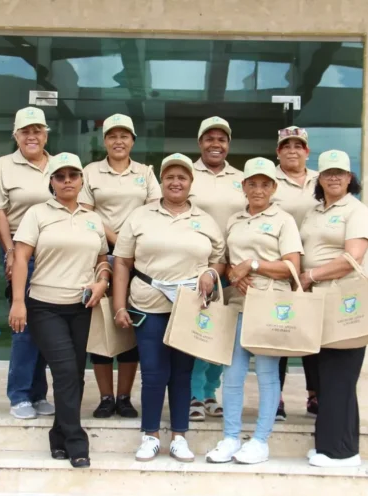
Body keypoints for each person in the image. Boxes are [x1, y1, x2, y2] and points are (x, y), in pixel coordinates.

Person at [112, 153, 226, 463]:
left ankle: (179, 436)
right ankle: (149, 435)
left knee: (182, 373)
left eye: (183, 177)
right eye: (170, 177)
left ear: (191, 183)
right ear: (162, 181)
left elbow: (219, 258)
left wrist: (211, 273)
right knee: (153, 372)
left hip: (189, 305)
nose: (176, 182)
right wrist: (119, 305)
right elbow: (122, 262)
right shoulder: (140, 216)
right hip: (149, 303)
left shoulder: (205, 220)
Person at [8, 152, 110, 469]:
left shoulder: (93, 219)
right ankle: (77, 441)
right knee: (66, 371)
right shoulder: (37, 214)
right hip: (44, 307)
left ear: (81, 180)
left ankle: (58, 436)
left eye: (73, 175)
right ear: (51, 182)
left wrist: (103, 281)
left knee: (75, 376)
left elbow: (102, 260)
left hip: (81, 306)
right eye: (60, 176)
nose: (67, 181)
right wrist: (18, 301)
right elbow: (21, 258)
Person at [206, 157, 303, 465]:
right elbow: (228, 260)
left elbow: (292, 267)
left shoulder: (283, 220)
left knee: (266, 374)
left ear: (274, 187)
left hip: (272, 306)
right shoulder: (234, 220)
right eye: (252, 183)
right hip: (238, 303)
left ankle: (260, 440)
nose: (258, 189)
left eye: (265, 184)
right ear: (243, 186)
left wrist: (254, 265)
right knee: (232, 375)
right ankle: (231, 437)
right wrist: (236, 271)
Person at [79, 113, 161, 419]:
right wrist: (120, 240)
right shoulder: (90, 172)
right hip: (101, 256)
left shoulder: (146, 173)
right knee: (101, 326)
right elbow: (87, 212)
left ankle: (124, 397)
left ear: (133, 141)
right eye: (112, 136)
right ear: (104, 141)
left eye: (124, 136)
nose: (118, 141)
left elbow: (154, 209)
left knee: (130, 325)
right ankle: (105, 397)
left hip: (139, 260)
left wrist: (130, 246)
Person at [298, 150, 368, 468]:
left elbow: (352, 258)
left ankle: (342, 452)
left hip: (341, 301)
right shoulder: (314, 211)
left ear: (349, 179)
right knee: (323, 375)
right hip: (314, 300)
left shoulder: (356, 210)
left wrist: (311, 275)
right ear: (320, 178)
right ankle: (329, 446)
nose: (333, 177)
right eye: (328, 172)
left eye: (340, 173)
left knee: (340, 375)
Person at [0, 106, 54, 420]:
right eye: (25, 131)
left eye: (37, 130)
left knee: (46, 327)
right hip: (22, 254)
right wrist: (11, 252)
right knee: (24, 325)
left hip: (55, 255)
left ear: (46, 133)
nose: (32, 136)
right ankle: (20, 395)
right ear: (16, 135)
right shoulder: (4, 165)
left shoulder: (59, 165)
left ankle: (38, 394)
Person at [187, 116, 246, 422]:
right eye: (209, 138)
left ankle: (211, 391)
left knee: (223, 333)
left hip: (233, 268)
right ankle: (194, 394)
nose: (215, 144)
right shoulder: (188, 174)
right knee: (200, 330)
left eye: (221, 139)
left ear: (228, 144)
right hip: (199, 267)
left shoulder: (241, 178)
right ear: (200, 143)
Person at [271, 126, 320, 421]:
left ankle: (314, 395)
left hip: (313, 270)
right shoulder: (268, 181)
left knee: (312, 335)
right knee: (279, 333)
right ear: (278, 152)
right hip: (279, 267)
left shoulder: (321, 179)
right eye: (286, 145)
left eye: (298, 145)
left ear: (306, 151)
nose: (292, 149)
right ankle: (275, 397)